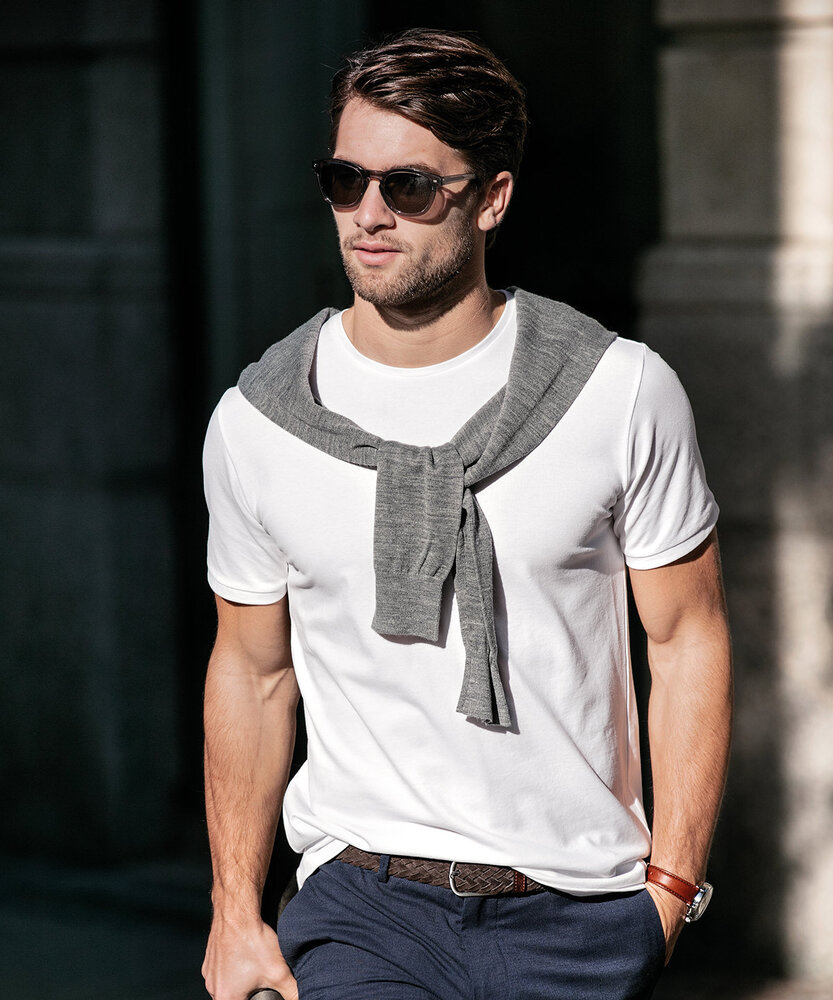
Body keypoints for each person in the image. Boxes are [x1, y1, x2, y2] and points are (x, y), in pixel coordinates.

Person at [201, 27, 733, 1000]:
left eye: (407, 187)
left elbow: (686, 638)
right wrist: (234, 911)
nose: (368, 214)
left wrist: (668, 891)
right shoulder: (260, 420)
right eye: (343, 181)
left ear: (490, 198)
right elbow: (251, 671)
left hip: (577, 912)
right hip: (362, 905)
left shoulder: (616, 392)